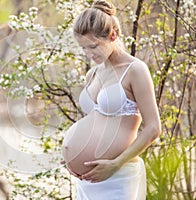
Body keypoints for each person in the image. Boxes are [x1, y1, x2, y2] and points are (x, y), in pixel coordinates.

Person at [61, 0, 161, 199]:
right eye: (83, 49)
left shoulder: (135, 70)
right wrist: (72, 155)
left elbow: (153, 128)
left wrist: (115, 164)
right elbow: (97, 124)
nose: (89, 54)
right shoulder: (93, 74)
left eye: (93, 46)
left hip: (117, 176)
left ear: (112, 35)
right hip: (87, 181)